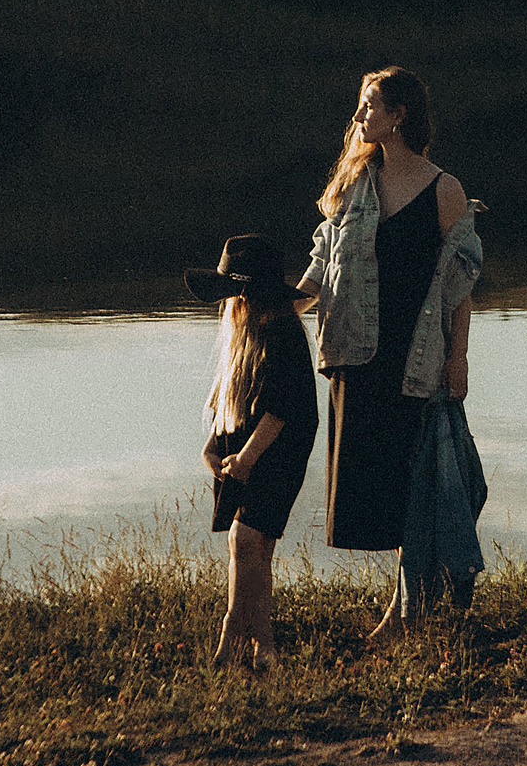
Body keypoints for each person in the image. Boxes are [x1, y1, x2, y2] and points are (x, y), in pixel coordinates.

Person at [298, 66, 483, 639]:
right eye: (360, 106)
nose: (358, 116)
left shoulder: (443, 189)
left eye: (368, 105)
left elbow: (462, 285)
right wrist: (275, 307)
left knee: (420, 484)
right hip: (359, 356)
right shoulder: (354, 186)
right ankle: (408, 612)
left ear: (399, 115)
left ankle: (406, 616)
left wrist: (459, 359)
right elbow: (321, 266)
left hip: (418, 357)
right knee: (382, 488)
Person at [184, 234, 320, 670]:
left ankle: (233, 637)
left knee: (246, 538)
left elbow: (281, 410)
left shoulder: (282, 332)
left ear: (245, 296)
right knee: (250, 546)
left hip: (279, 447)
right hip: (246, 447)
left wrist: (245, 460)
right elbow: (234, 403)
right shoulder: (244, 334)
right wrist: (215, 451)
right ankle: (264, 647)